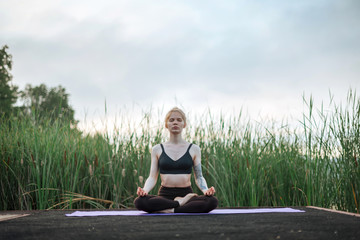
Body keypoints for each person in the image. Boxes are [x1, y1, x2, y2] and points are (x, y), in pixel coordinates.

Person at [134, 107, 218, 213]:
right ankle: (179, 204)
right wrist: (145, 190)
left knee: (212, 201)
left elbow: (199, 177)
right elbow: (152, 177)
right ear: (166, 124)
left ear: (184, 124)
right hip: (165, 195)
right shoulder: (157, 149)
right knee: (140, 202)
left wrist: (206, 190)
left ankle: (167, 209)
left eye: (179, 120)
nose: (175, 122)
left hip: (186, 193)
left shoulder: (194, 149)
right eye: (171, 120)